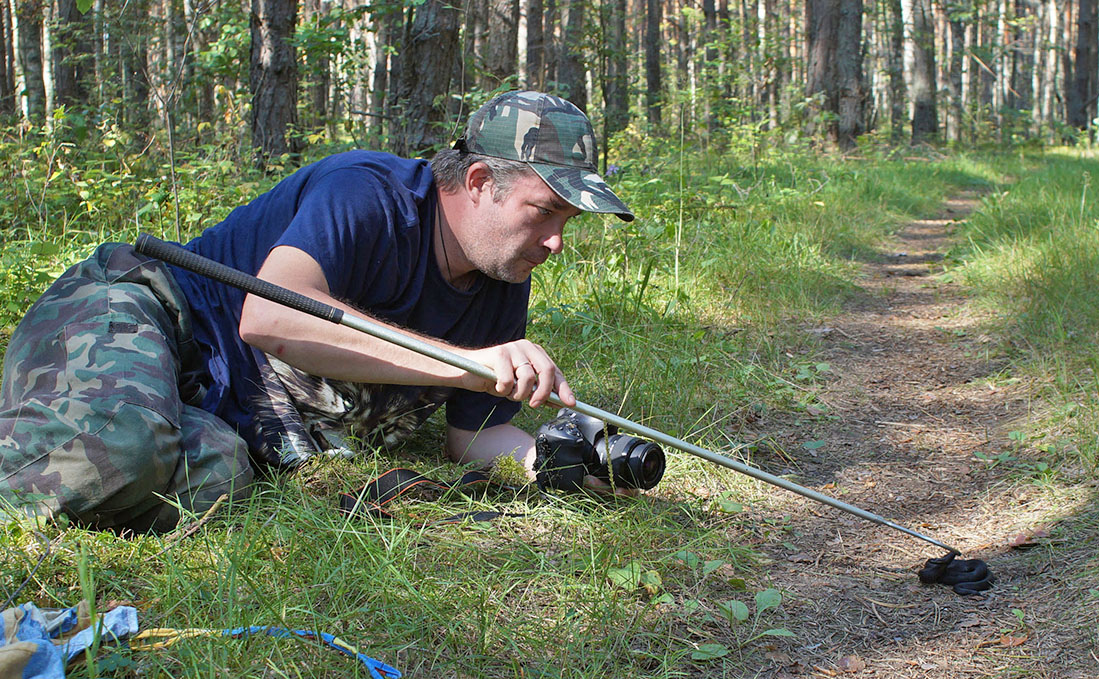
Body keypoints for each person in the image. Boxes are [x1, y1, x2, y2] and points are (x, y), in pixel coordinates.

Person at [0, 91, 634, 532]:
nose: (555, 241)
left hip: (220, 404)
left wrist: (553, 460)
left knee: (220, 485)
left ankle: (92, 417)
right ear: (477, 183)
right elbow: (268, 320)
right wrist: (463, 366)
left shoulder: (500, 273)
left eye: (568, 219)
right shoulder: (367, 195)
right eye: (544, 210)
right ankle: (82, 418)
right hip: (150, 306)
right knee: (113, 455)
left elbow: (474, 436)